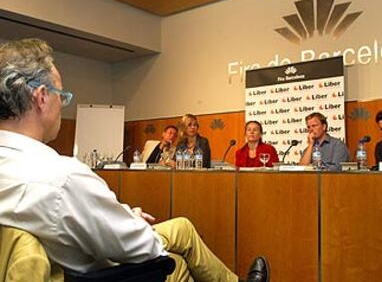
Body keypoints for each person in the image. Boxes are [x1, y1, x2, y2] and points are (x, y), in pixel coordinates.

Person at [0, 38, 269, 282]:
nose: (62, 104)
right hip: (103, 271)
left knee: (182, 229)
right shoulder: (62, 178)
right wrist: (130, 222)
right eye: (62, 95)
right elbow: (143, 247)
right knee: (175, 262)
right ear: (42, 97)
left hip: (64, 260)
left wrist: (124, 216)